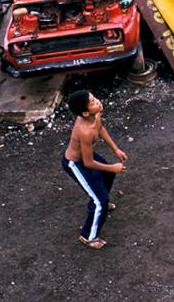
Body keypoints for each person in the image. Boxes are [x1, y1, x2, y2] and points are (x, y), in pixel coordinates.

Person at [62, 90, 128, 250]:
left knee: (107, 177)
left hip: (87, 157)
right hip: (75, 163)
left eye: (94, 98)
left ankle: (99, 200)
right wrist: (113, 167)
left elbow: (100, 128)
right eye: (92, 102)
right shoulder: (85, 131)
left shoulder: (94, 115)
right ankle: (88, 236)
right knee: (101, 201)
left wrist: (116, 149)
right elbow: (88, 163)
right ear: (85, 113)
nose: (97, 102)